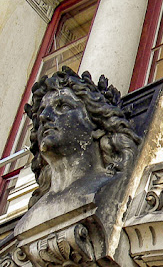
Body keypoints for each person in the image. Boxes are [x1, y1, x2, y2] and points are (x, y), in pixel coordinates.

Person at [24, 67, 141, 208]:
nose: (44, 116)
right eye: (42, 110)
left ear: (98, 126)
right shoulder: (35, 211)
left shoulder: (106, 190)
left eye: (63, 106)